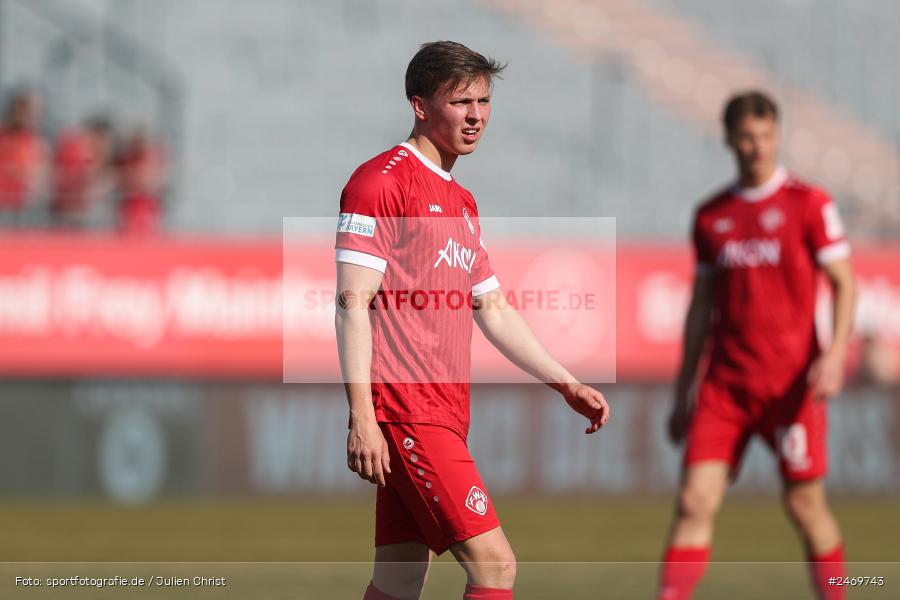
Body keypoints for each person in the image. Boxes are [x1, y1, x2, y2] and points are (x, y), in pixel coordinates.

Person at [334, 41, 610, 600]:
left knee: (399, 579)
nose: (477, 116)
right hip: (408, 411)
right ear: (420, 105)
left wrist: (566, 382)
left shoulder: (461, 202)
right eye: (461, 102)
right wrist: (362, 415)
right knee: (496, 567)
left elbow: (494, 309)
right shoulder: (381, 184)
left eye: (484, 101)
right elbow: (350, 303)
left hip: (446, 410)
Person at [659, 91, 856, 600]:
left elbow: (845, 282)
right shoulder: (711, 217)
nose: (757, 147)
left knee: (805, 506)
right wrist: (683, 391)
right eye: (746, 137)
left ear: (777, 135)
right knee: (694, 501)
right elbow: (700, 309)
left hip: (791, 385)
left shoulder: (809, 204)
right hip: (725, 389)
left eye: (765, 135)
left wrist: (834, 356)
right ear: (728, 140)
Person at [0, 88, 47, 224]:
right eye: (25, 111)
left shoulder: (36, 140)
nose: (31, 116)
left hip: (27, 205)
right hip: (4, 204)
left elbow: (39, 173)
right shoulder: (4, 136)